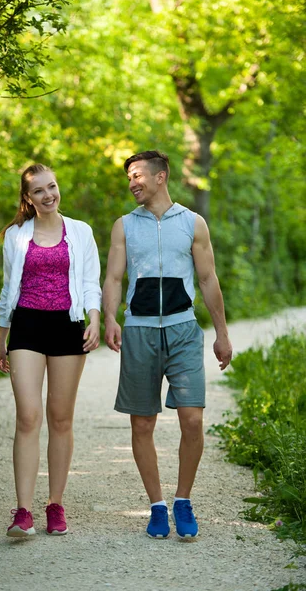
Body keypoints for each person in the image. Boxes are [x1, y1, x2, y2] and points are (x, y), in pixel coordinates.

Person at [103, 150, 232, 540]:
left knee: (192, 419)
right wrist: (110, 317)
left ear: (161, 177)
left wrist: (222, 334)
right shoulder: (124, 226)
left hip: (183, 330)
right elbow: (113, 278)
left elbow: (208, 280)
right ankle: (157, 506)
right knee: (142, 422)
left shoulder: (193, 223)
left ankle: (183, 500)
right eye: (129, 177)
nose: (132, 183)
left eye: (138, 175)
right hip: (140, 331)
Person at [0, 163, 101, 538]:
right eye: (38, 190)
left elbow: (91, 281)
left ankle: (55, 505)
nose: (48, 195)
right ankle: (22, 511)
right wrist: (1, 336)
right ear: (28, 197)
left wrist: (94, 318)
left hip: (68, 327)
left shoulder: (80, 231)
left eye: (52, 186)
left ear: (58, 188)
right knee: (27, 416)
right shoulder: (16, 235)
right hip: (27, 325)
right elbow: (9, 288)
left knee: (60, 418)